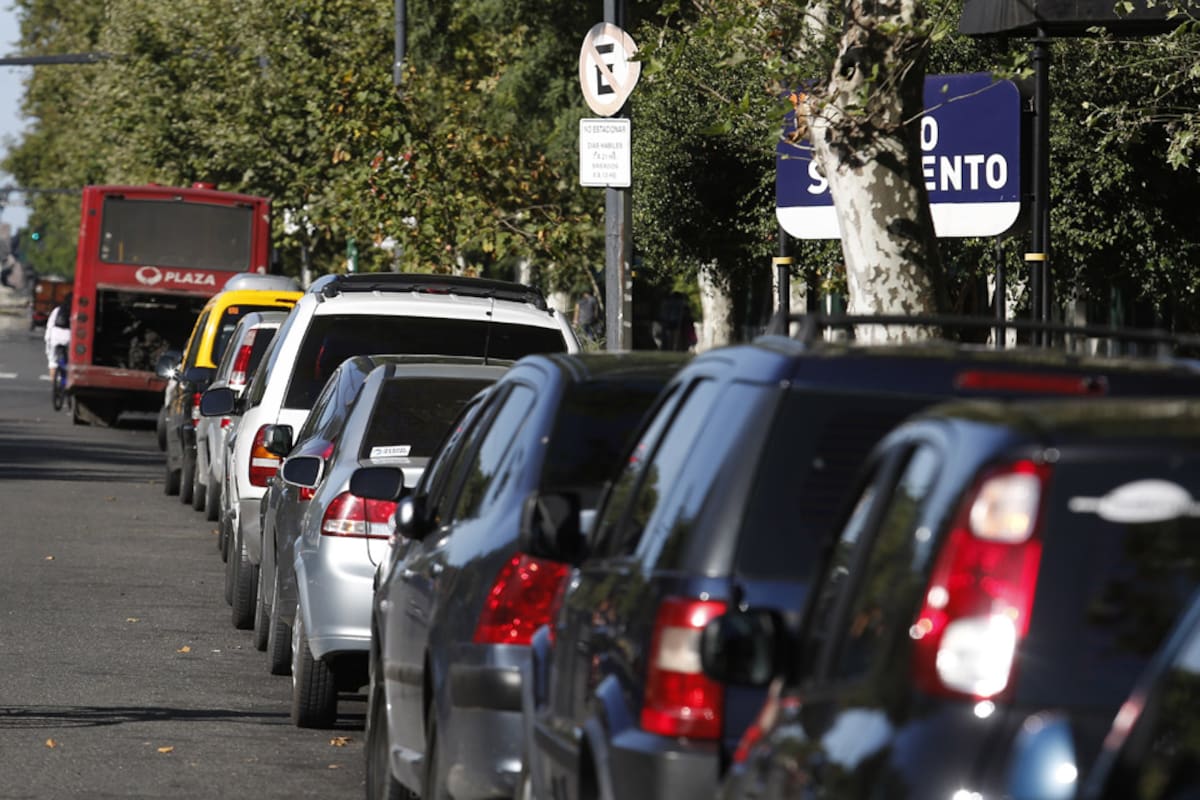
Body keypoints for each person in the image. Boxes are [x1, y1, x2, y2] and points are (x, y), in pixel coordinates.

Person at [44, 291, 72, 383]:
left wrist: (48, 340)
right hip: (69, 338)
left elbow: (50, 326)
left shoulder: (57, 310)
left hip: (55, 337)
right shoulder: (75, 311)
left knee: (52, 362)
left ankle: (54, 384)